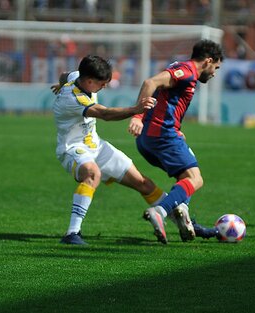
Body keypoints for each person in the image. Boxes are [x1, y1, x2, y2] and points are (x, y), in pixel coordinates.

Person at [52, 55, 169, 245]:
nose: (104, 87)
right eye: (102, 83)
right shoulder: (72, 98)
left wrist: (59, 84)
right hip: (72, 149)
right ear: (89, 81)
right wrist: (135, 109)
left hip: (96, 146)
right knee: (92, 173)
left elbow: (65, 75)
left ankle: (183, 219)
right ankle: (72, 233)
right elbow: (104, 114)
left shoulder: (77, 76)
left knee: (143, 183)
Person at [128, 39, 224, 244]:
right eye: (215, 67)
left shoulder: (180, 68)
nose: (214, 73)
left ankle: (184, 214)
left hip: (150, 138)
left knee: (185, 176)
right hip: (162, 134)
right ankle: (160, 211)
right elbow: (150, 83)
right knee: (196, 179)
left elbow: (159, 92)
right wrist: (137, 116)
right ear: (208, 61)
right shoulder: (187, 71)